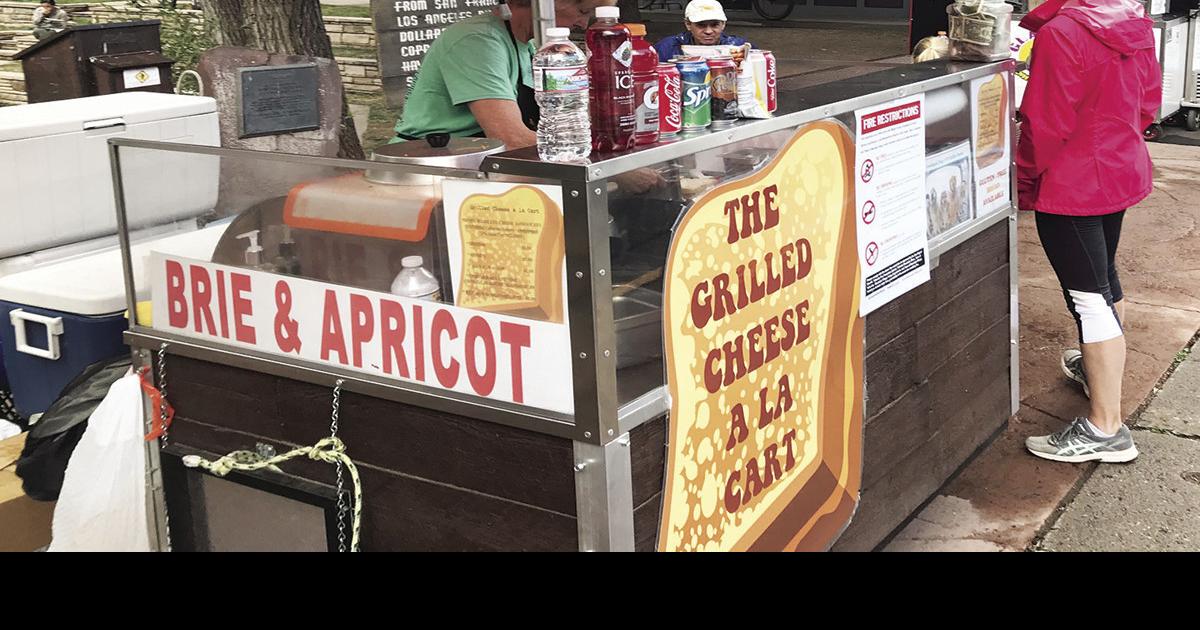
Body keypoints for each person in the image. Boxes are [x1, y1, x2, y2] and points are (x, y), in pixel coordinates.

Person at [1018, 0, 1160, 463]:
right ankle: (1096, 371)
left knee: (1087, 296)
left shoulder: (1061, 32)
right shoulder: (1131, 21)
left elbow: (1045, 122)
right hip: (1118, 168)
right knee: (1103, 279)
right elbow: (1148, 103)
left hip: (1072, 182)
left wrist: (1023, 180)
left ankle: (1106, 428)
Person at [394, 0, 660, 191]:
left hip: (487, 170)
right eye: (582, 10)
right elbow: (511, 139)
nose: (583, 22)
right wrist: (615, 172)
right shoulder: (476, 41)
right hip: (430, 176)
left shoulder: (532, 47)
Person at [653, 0, 750, 62]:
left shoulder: (738, 47)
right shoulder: (667, 47)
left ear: (723, 24)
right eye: (701, 25)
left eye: (714, 25)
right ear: (688, 24)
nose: (708, 31)